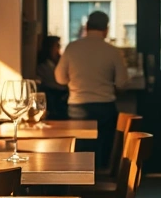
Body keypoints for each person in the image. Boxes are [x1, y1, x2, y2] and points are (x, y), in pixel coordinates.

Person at [55, 11, 129, 170]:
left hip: (77, 108)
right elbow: (122, 83)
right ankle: (102, 179)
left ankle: (81, 182)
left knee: (80, 152)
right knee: (104, 151)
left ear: (87, 26)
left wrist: (74, 81)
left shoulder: (72, 48)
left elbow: (60, 78)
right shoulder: (113, 51)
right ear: (106, 29)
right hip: (105, 107)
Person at [36, 35, 68, 120]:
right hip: (55, 98)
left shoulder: (56, 63)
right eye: (57, 46)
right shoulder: (44, 66)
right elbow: (57, 83)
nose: (58, 50)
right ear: (49, 48)